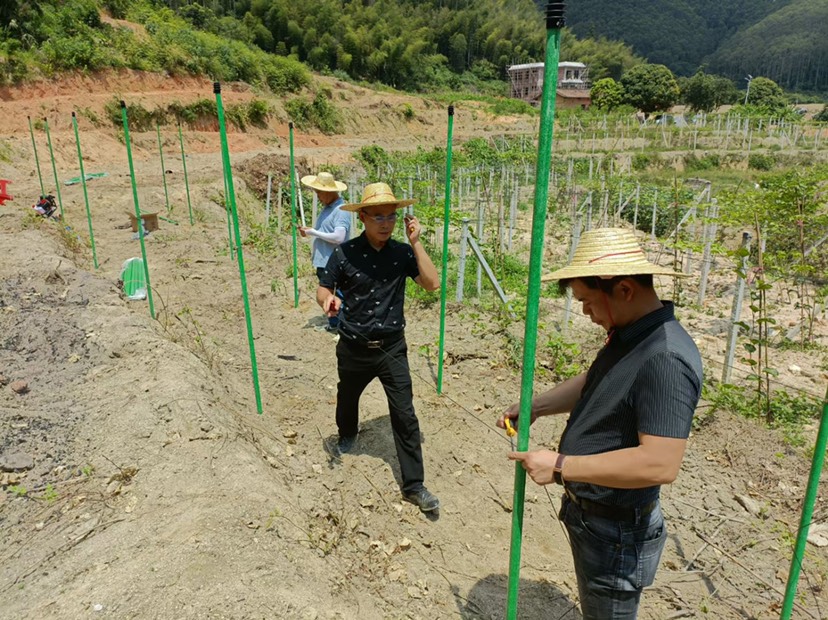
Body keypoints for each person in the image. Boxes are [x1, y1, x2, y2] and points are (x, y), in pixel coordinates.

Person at [498, 227, 703, 619]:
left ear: (624, 290)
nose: (585, 311)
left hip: (618, 534)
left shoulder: (664, 358)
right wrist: (536, 406)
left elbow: (659, 463)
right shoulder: (629, 334)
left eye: (588, 300)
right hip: (597, 520)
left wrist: (560, 466)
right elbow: (597, 381)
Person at [316, 182, 441, 513]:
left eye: (391, 216)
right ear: (363, 218)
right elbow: (323, 287)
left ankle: (414, 485)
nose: (385, 223)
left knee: (405, 415)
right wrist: (328, 300)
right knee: (348, 394)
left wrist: (416, 242)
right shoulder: (345, 253)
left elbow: (432, 283)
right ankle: (347, 432)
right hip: (354, 345)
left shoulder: (402, 253)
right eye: (378, 217)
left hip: (391, 349)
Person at [300, 171, 351, 332]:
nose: (318, 196)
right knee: (329, 296)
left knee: (337, 296)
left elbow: (339, 237)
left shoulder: (341, 209)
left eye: (319, 193)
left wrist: (313, 232)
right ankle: (335, 324)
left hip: (333, 262)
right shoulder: (328, 208)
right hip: (324, 261)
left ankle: (345, 327)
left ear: (329, 192)